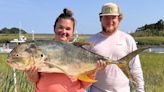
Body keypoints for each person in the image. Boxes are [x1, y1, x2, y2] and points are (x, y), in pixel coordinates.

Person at [25, 8, 105, 92]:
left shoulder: (78, 52)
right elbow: (34, 80)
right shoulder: (43, 49)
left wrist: (93, 71)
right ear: (54, 28)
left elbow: (85, 84)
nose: (64, 31)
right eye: (60, 27)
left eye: (68, 29)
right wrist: (31, 74)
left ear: (72, 32)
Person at [84, 3, 145, 92]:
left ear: (119, 19)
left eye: (113, 17)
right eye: (106, 17)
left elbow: (136, 68)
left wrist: (140, 90)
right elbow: (83, 70)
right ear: (101, 19)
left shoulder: (128, 39)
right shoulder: (90, 41)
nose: (110, 21)